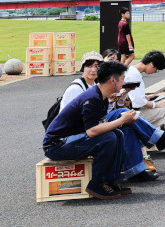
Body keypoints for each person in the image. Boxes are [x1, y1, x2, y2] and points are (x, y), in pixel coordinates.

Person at [42, 60, 144, 199]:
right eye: (122, 79)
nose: (124, 82)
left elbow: (97, 125)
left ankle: (110, 180)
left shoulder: (99, 96)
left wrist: (122, 119)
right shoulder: (92, 98)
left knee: (118, 134)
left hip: (70, 140)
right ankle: (97, 183)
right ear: (112, 80)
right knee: (108, 138)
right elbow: (92, 131)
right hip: (56, 146)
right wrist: (121, 120)